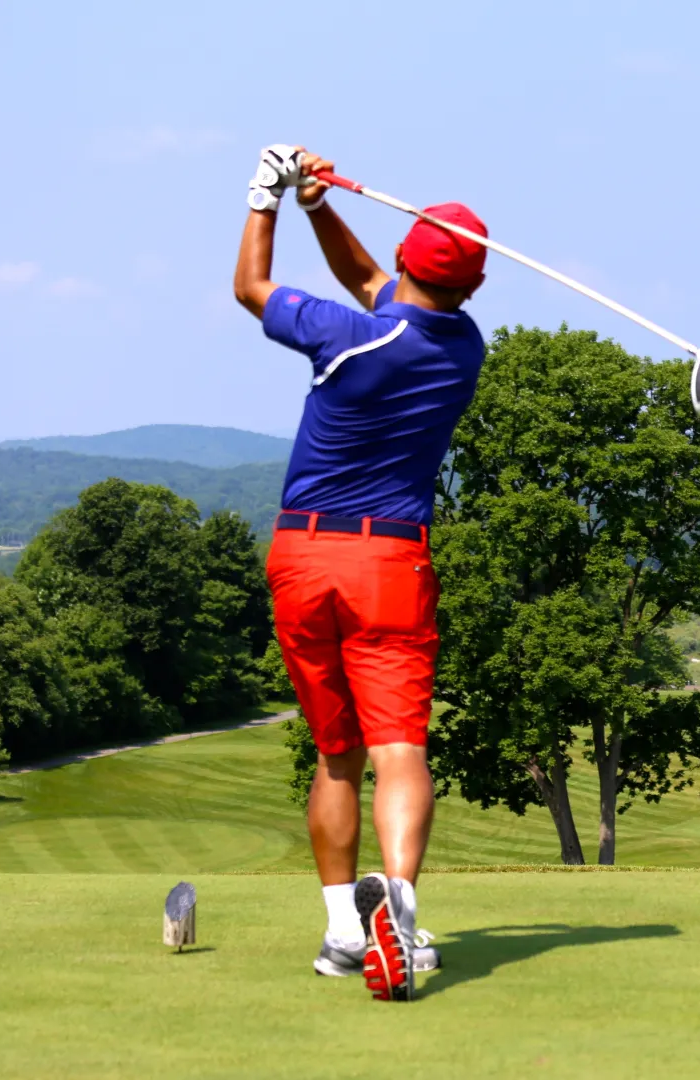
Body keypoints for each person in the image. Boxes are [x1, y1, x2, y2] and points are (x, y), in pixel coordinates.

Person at [233, 144, 489, 1003]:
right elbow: (376, 280)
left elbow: (253, 290)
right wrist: (316, 204)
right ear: (472, 287)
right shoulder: (462, 349)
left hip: (302, 557)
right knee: (400, 748)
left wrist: (265, 199)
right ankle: (401, 912)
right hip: (391, 560)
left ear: (410, 257)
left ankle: (347, 929)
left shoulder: (348, 336)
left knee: (337, 754)